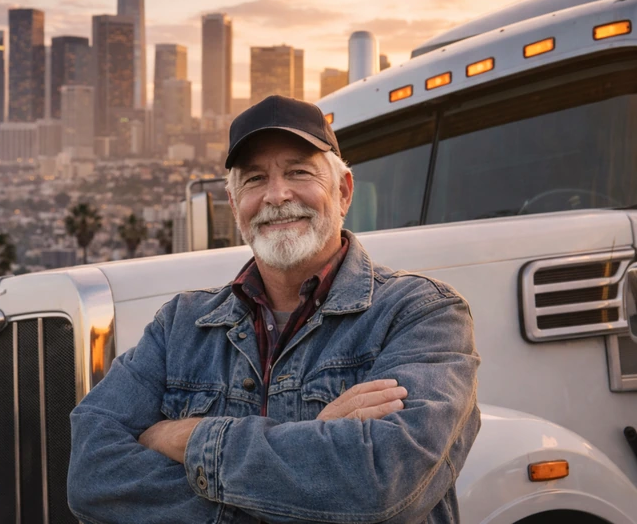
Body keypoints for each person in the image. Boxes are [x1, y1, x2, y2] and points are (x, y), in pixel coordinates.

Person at [68, 95, 480, 523]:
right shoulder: (180, 325)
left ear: (342, 192)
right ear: (234, 205)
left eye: (299, 171)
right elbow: (92, 475)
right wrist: (312, 451)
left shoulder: (421, 313)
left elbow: (382, 485)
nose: (276, 195)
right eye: (254, 179)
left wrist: (183, 437)